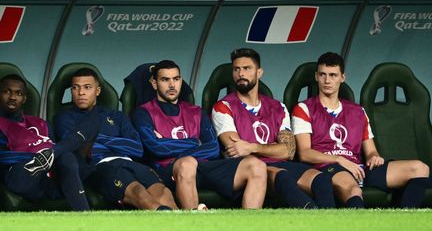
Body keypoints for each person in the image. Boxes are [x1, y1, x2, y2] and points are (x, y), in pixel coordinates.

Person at [291, 52, 430, 208]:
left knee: (420, 168)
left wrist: (374, 157)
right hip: (326, 167)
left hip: (358, 167)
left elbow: (371, 151)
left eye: (333, 75)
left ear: (342, 77)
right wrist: (339, 159)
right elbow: (305, 153)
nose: (327, 80)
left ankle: (404, 220)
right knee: (353, 190)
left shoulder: (358, 111)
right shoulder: (304, 108)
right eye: (322, 74)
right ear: (316, 76)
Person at [132, 60, 267, 209]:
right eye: (165, 80)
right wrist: (195, 142)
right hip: (168, 170)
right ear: (154, 83)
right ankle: (194, 221)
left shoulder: (196, 112)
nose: (172, 85)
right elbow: (156, 148)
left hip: (204, 168)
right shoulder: (143, 113)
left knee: (256, 166)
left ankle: (251, 223)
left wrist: (167, 142)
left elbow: (213, 149)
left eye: (176, 79)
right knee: (187, 163)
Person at [212, 48, 335, 209]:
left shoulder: (278, 107)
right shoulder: (223, 107)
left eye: (247, 68)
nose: (241, 74)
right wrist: (271, 149)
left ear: (259, 72)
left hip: (281, 164)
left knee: (322, 180)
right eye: (236, 69)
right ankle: (314, 220)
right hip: (252, 170)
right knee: (283, 177)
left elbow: (289, 151)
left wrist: (252, 146)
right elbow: (237, 151)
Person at [54, 68, 177, 210]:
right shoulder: (64, 118)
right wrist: (117, 141)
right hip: (97, 167)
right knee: (138, 192)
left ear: (98, 91)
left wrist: (96, 139)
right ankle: (164, 216)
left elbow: (137, 148)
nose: (81, 93)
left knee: (163, 192)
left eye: (87, 87)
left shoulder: (117, 116)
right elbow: (75, 146)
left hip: (129, 162)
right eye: (76, 88)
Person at [0, 74, 98, 211]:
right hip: (21, 174)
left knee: (67, 156)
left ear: (24, 98)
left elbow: (57, 147)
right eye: (6, 91)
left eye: (19, 93)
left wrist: (50, 155)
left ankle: (85, 216)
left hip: (50, 176)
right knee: (59, 156)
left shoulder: (41, 123)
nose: (12, 97)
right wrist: (36, 157)